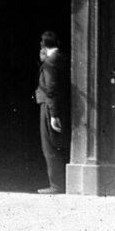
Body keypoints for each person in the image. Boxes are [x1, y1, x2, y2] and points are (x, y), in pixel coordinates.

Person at [35, 30, 69, 194]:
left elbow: (51, 89)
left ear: (42, 44)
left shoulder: (50, 62)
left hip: (49, 107)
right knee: (58, 143)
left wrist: (53, 115)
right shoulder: (61, 58)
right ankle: (60, 183)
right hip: (59, 105)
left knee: (49, 146)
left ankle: (56, 185)